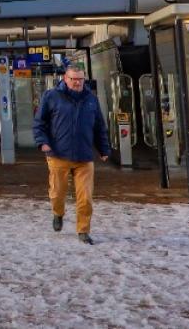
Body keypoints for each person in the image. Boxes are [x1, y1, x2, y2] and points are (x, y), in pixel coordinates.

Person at [34, 65, 111, 245]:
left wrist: (104, 149)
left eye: (80, 79)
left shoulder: (91, 99)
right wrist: (42, 142)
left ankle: (83, 230)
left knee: (85, 197)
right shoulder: (51, 96)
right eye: (73, 79)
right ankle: (58, 213)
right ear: (65, 79)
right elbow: (39, 123)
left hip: (84, 156)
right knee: (57, 193)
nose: (77, 82)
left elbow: (99, 126)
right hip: (58, 154)